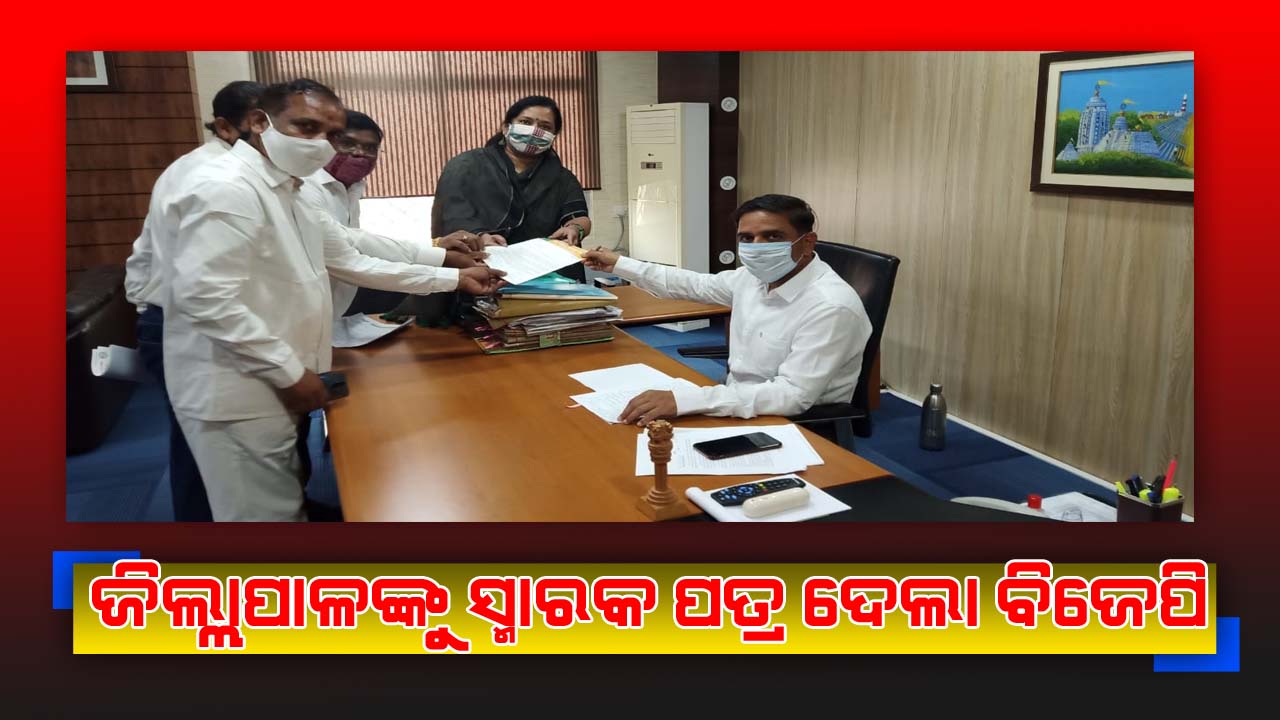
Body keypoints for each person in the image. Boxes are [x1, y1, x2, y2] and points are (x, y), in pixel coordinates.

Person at [160, 78, 505, 522]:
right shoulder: (226, 187)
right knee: (259, 517)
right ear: (260, 122)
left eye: (331, 134)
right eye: (306, 127)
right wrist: (288, 373)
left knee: (280, 495)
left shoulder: (291, 188)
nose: (320, 144)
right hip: (237, 386)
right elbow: (205, 299)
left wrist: (451, 274)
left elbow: (350, 255)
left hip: (277, 370)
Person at [582, 194, 871, 424]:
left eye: (772, 237)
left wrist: (688, 401)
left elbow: (792, 396)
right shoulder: (752, 278)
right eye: (747, 238)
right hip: (736, 401)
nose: (757, 247)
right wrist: (620, 264)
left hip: (793, 422)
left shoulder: (831, 306)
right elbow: (691, 284)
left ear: (807, 243)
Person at [123, 79, 264, 522]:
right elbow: (203, 289)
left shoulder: (239, 169)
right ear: (225, 127)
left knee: (232, 442)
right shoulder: (215, 177)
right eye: (259, 123)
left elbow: (143, 254)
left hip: (185, 318)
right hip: (188, 324)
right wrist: (152, 314)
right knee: (202, 444)